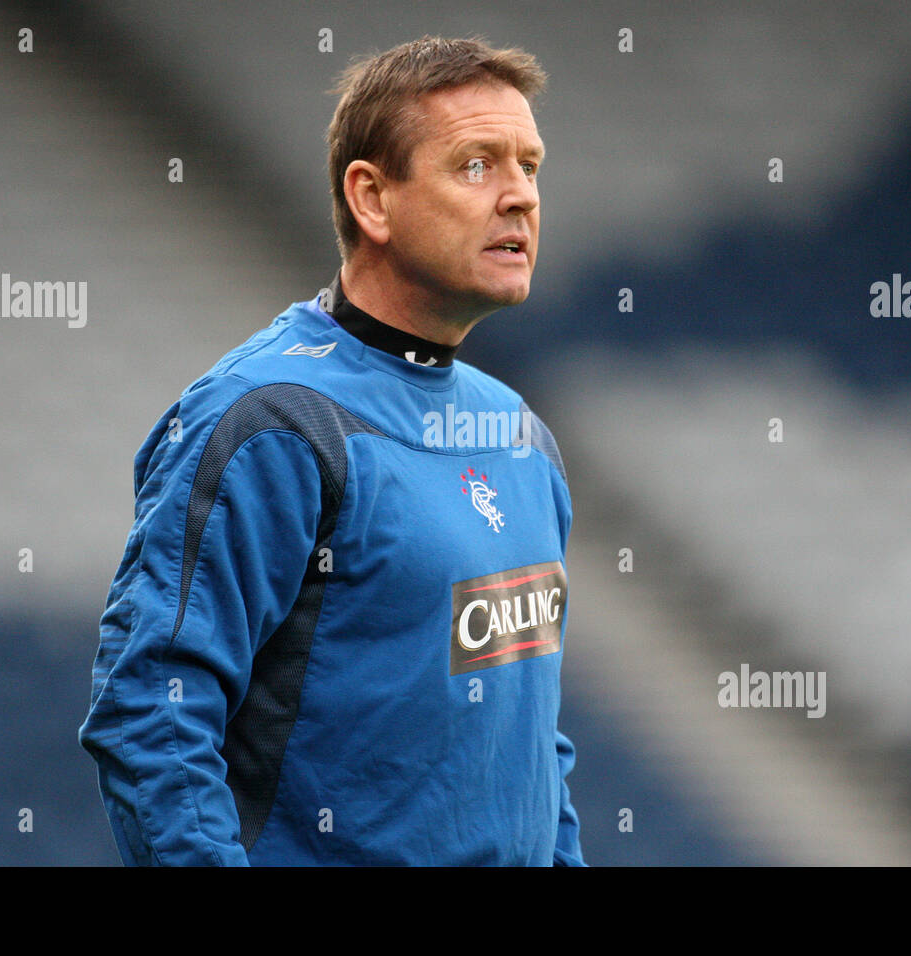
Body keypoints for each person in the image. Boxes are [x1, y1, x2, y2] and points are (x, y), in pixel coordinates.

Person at [79, 35, 584, 866]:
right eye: (476, 165)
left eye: (530, 166)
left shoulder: (520, 435)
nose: (521, 197)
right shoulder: (272, 422)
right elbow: (151, 713)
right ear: (372, 200)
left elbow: (529, 748)